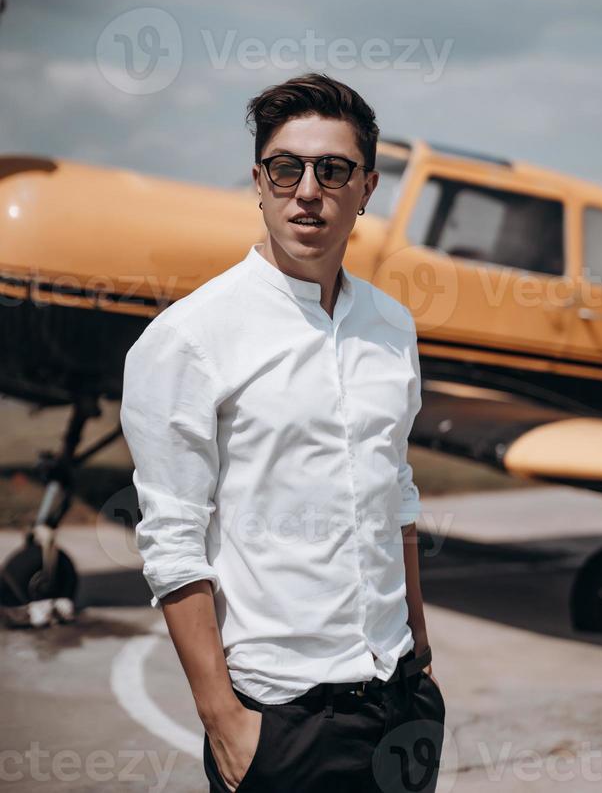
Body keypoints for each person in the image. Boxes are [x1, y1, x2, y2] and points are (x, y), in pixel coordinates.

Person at [120, 72, 446, 793]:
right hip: (282, 724)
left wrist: (418, 646)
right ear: (259, 182)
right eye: (286, 168)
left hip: (401, 704)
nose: (308, 190)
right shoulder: (188, 340)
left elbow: (397, 488)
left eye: (333, 170)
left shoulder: (393, 329)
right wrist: (226, 725)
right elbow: (172, 539)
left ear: (366, 189)